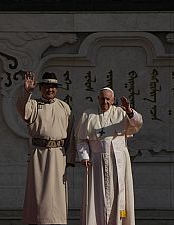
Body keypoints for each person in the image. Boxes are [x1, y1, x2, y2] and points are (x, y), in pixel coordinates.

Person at [76, 87, 143, 225]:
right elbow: (81, 140)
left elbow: (137, 124)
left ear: (113, 100)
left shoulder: (121, 112)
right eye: (102, 98)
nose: (105, 102)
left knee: (119, 197)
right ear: (98, 99)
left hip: (118, 161)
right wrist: (84, 156)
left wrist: (129, 111)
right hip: (96, 163)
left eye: (108, 99)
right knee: (97, 198)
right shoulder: (88, 115)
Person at [16, 71, 76, 225]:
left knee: (57, 195)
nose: (50, 90)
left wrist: (69, 158)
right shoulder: (33, 105)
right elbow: (22, 109)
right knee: (38, 193)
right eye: (47, 86)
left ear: (57, 89)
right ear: (41, 88)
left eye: (53, 87)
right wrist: (27, 91)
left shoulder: (65, 107)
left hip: (58, 155)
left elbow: (70, 135)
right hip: (39, 155)